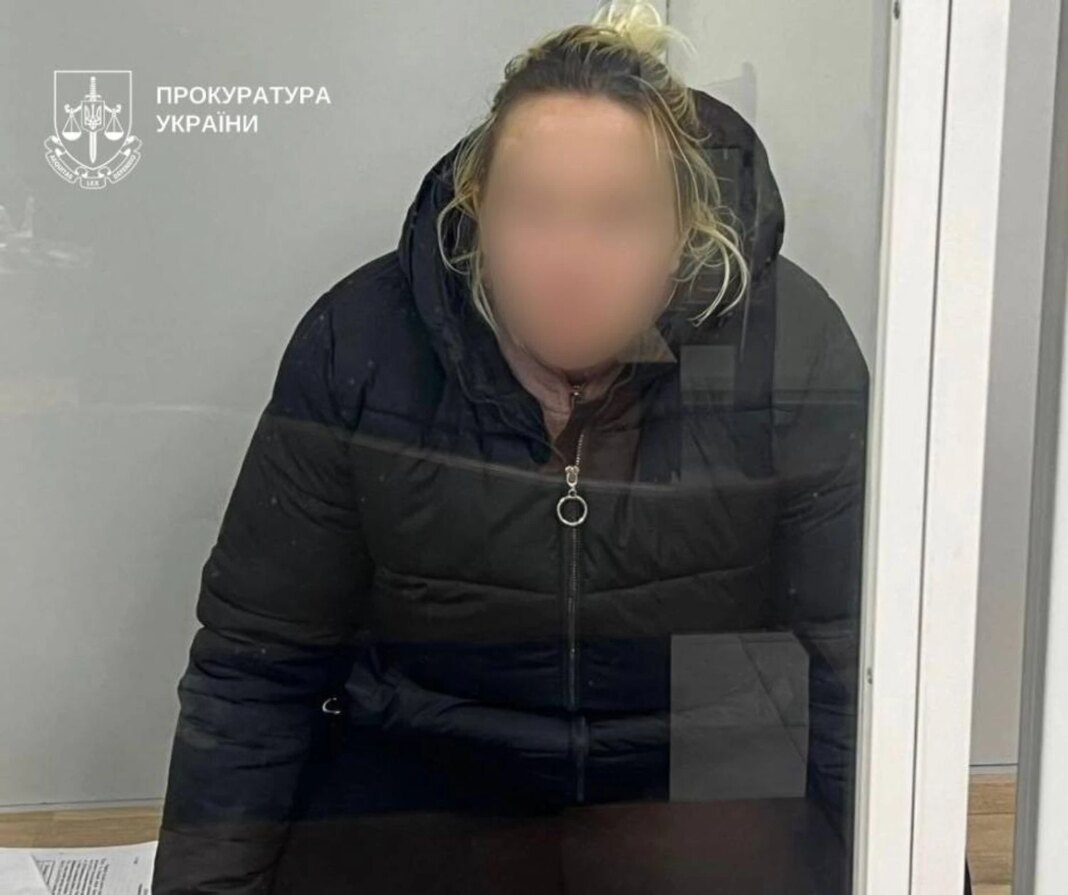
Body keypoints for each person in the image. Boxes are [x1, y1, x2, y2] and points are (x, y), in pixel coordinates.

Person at [151, 3, 972, 893]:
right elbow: (255, 669)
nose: (570, 261)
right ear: (476, 211)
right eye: (533, 210)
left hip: (706, 772)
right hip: (431, 763)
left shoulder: (789, 345)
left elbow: (863, 669)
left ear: (686, 233)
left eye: (619, 217)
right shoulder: (361, 343)